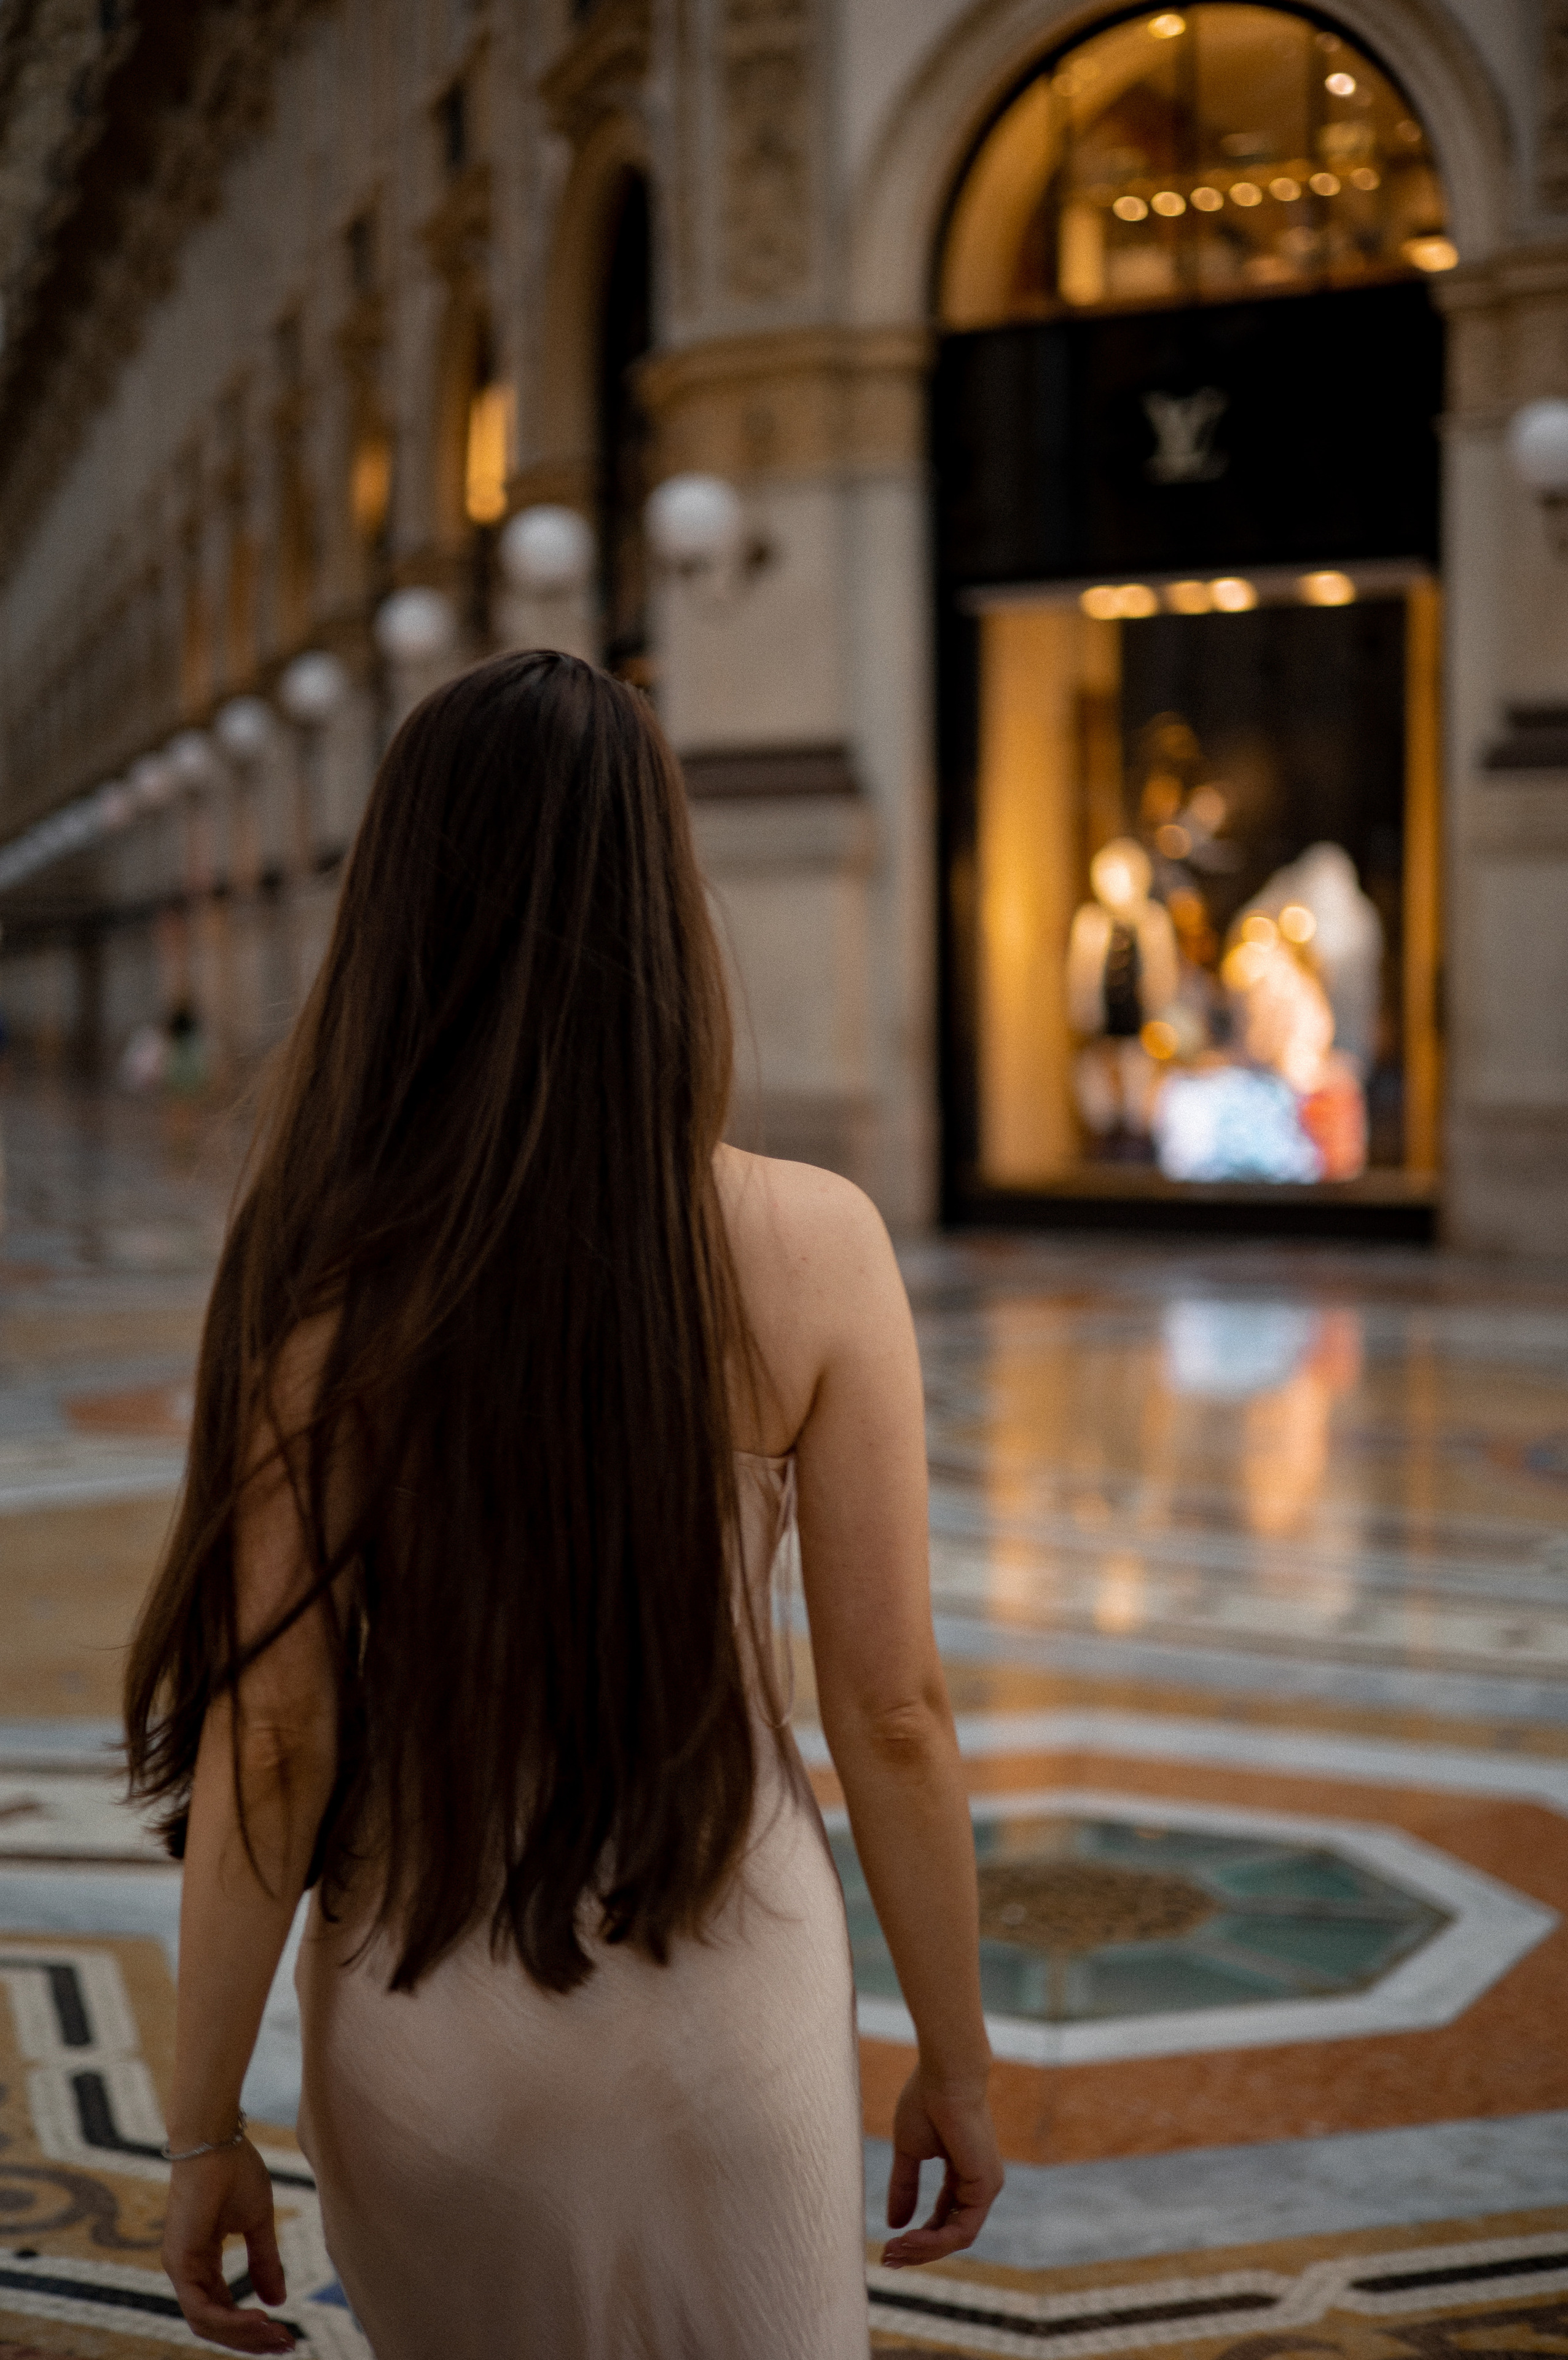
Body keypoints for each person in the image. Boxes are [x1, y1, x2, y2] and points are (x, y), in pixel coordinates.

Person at [124, 651, 1002, 2359]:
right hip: (727, 2007)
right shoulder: (816, 1244)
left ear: (391, 916)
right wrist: (956, 2060)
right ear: (664, 903)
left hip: (422, 2020)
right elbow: (891, 1708)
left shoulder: (312, 1267)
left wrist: (200, 2127)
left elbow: (277, 1738)